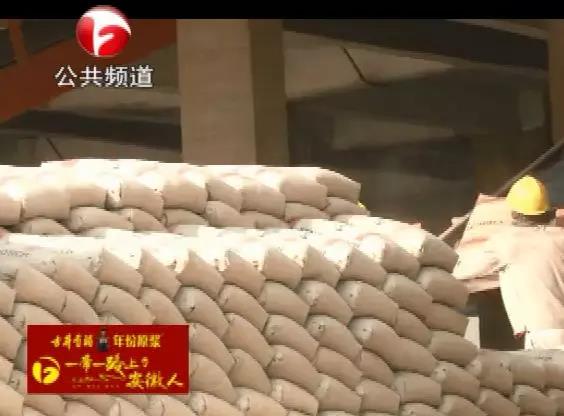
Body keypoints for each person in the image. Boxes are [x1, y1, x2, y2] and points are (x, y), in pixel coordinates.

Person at [488, 175, 564, 349]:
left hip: (542, 333)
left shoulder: (505, 241)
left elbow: (461, 269)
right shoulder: (560, 237)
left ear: (514, 213)